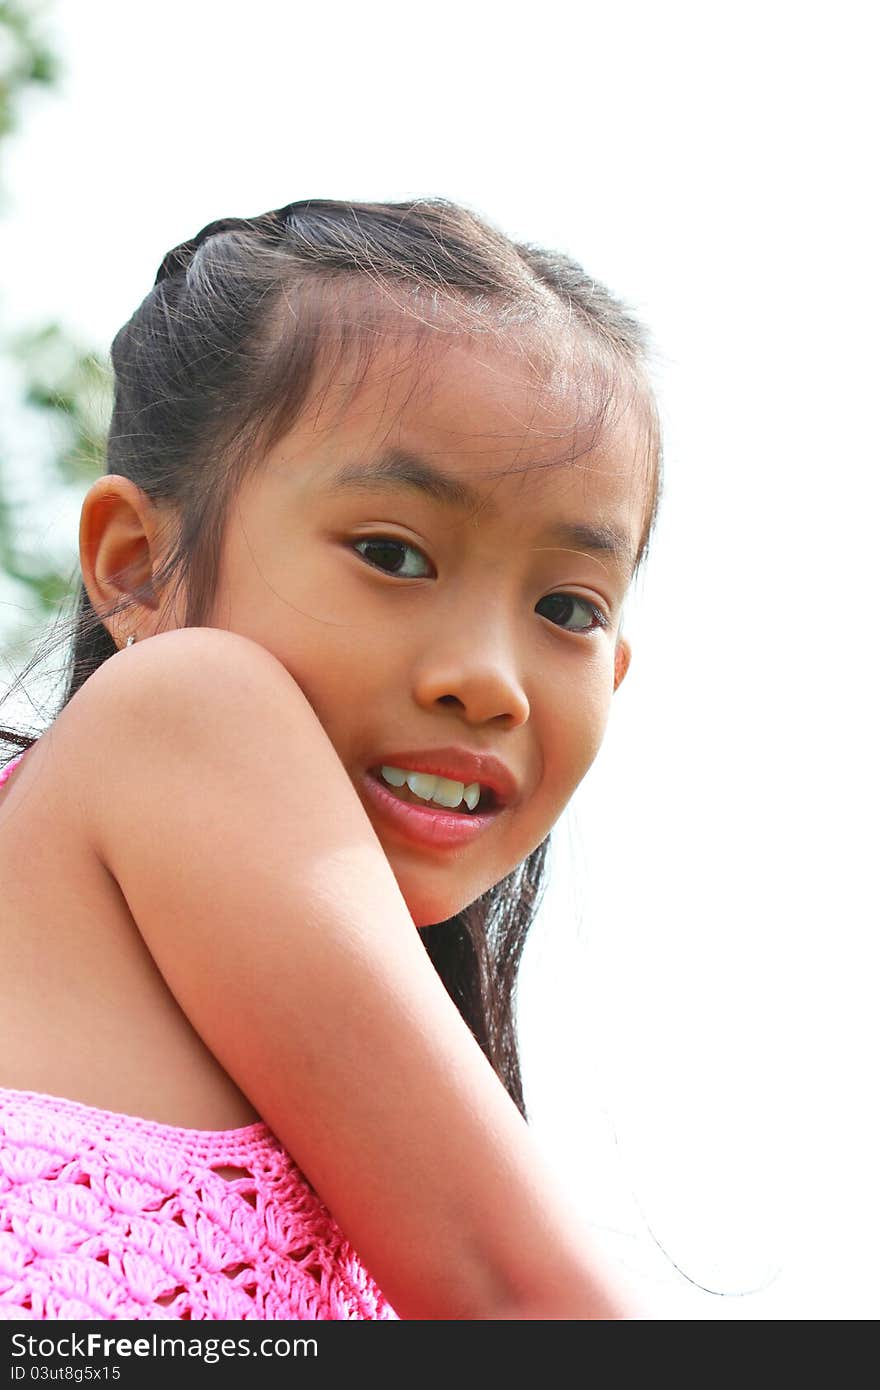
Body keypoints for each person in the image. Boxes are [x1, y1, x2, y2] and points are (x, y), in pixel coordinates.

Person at [0, 197, 661, 1321]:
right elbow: (527, 1306)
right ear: (136, 570)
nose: (488, 679)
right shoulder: (188, 708)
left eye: (566, 605)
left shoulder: (378, 1162)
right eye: (392, 553)